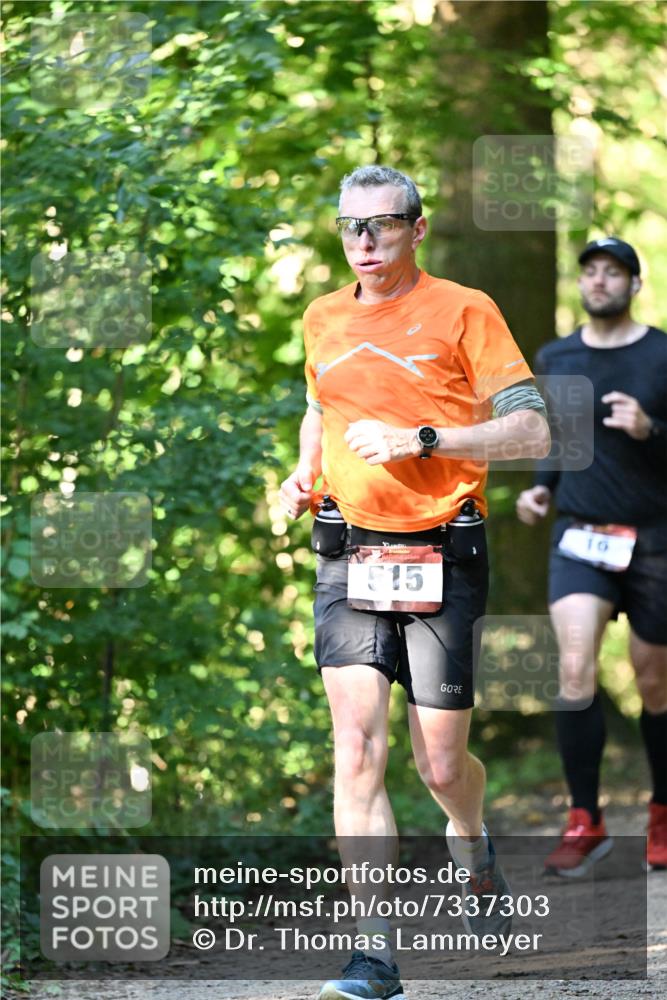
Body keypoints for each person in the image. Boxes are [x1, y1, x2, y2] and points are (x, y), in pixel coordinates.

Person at [280, 165, 550, 1000]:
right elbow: (318, 407)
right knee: (356, 747)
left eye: (383, 225)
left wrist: (424, 438)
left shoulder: (465, 309)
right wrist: (301, 471)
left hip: (441, 550)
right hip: (348, 554)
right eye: (351, 227)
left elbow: (531, 427)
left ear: (416, 228)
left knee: (440, 765)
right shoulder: (321, 315)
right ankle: (373, 956)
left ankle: (469, 842)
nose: (364, 242)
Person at [516, 237, 667, 878]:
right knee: (574, 671)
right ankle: (586, 820)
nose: (600, 282)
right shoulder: (557, 356)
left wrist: (650, 430)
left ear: (634, 284)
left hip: (657, 538)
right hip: (581, 536)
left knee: (654, 680)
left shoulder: (663, 353)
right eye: (591, 272)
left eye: (613, 273)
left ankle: (662, 814)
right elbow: (558, 440)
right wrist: (542, 485)